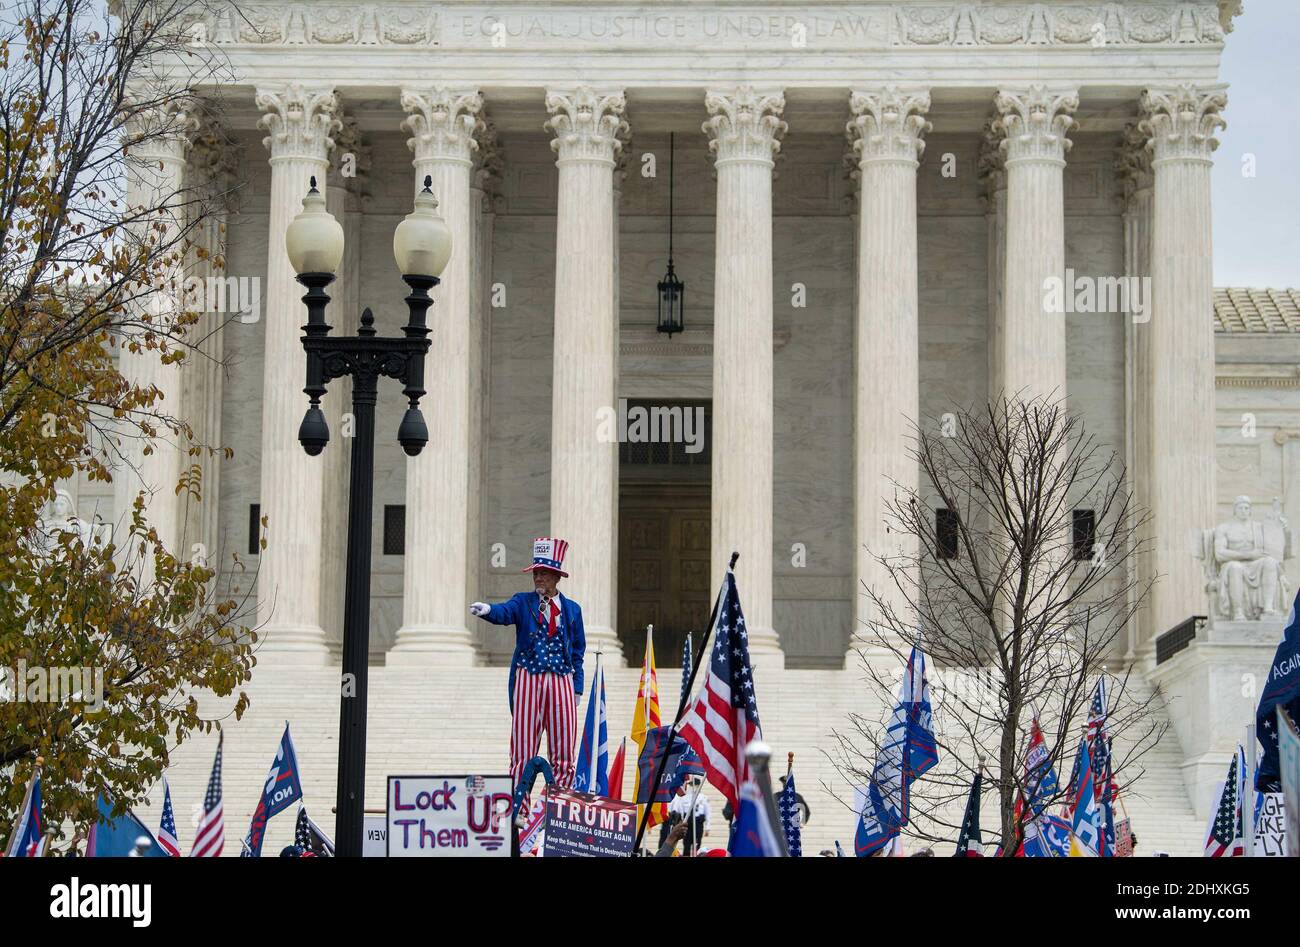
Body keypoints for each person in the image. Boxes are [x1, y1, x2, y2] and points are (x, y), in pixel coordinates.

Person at [471, 538, 585, 806]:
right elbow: (505, 612)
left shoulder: (572, 610)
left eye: (543, 573)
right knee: (522, 750)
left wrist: (577, 686)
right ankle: (519, 810)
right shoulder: (523, 602)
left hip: (561, 679)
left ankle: (558, 810)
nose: (538, 577)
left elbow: (578, 651)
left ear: (556, 576)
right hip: (528, 677)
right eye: (536, 573)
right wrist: (488, 610)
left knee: (564, 752)